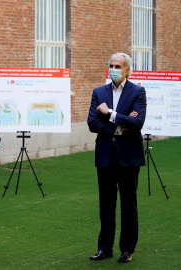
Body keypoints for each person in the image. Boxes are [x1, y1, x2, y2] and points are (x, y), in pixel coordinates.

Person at [87, 53, 147, 263]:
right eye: (111, 65)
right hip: (105, 155)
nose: (113, 69)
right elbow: (92, 123)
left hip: (129, 156)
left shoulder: (138, 92)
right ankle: (105, 248)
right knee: (106, 204)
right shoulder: (99, 92)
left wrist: (109, 113)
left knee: (128, 204)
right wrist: (121, 125)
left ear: (127, 70)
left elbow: (137, 123)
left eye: (118, 66)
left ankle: (127, 249)